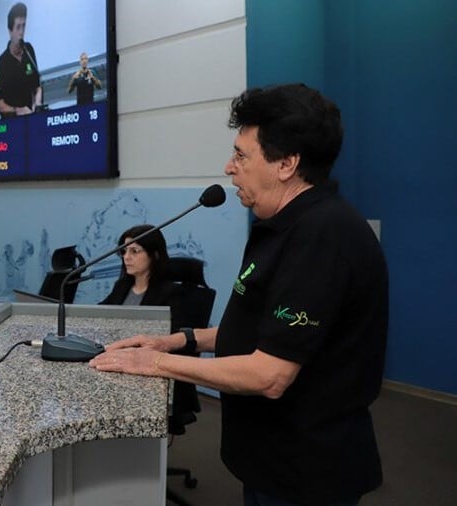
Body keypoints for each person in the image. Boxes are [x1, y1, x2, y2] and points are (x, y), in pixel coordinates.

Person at [89, 84, 388, 506]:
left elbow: (270, 375)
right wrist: (178, 340)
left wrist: (154, 363)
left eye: (241, 155)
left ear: (286, 164)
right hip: (270, 461)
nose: (229, 168)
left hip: (305, 474)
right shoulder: (280, 227)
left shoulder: (323, 236)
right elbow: (259, 330)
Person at [99, 225, 184, 328]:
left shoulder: (170, 292)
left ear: (155, 255)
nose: (126, 257)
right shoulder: (121, 286)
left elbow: (173, 334)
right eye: (124, 251)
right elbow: (99, 315)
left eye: (134, 251)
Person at [0, 2, 42, 117]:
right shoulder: (3, 61)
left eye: (24, 26)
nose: (21, 32)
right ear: (10, 31)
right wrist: (18, 110)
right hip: (11, 125)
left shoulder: (29, 50)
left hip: (30, 118)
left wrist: (37, 103)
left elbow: (37, 87)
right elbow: (0, 104)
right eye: (18, 27)